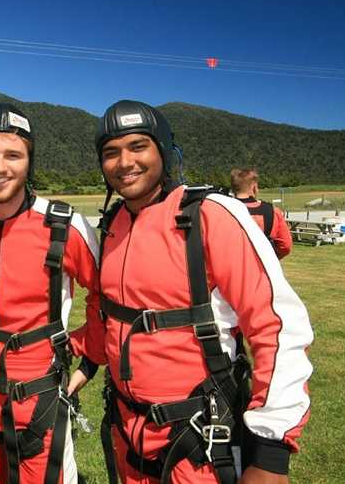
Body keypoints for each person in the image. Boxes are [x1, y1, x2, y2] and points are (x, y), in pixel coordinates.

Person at [84, 100, 313, 484]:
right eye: (111, 153)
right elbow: (106, 318)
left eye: (138, 146)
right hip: (128, 439)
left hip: (200, 443)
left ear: (163, 150)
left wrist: (270, 455)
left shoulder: (209, 215)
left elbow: (278, 325)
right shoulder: (112, 225)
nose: (124, 162)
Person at [0, 103, 104, 484]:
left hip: (38, 400)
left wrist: (86, 360)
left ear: (30, 161)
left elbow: (105, 299)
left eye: (13, 155)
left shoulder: (65, 226)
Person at [230, 168, 292, 259]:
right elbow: (285, 246)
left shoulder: (222, 210)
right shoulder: (273, 211)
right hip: (262, 268)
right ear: (254, 187)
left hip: (231, 266)